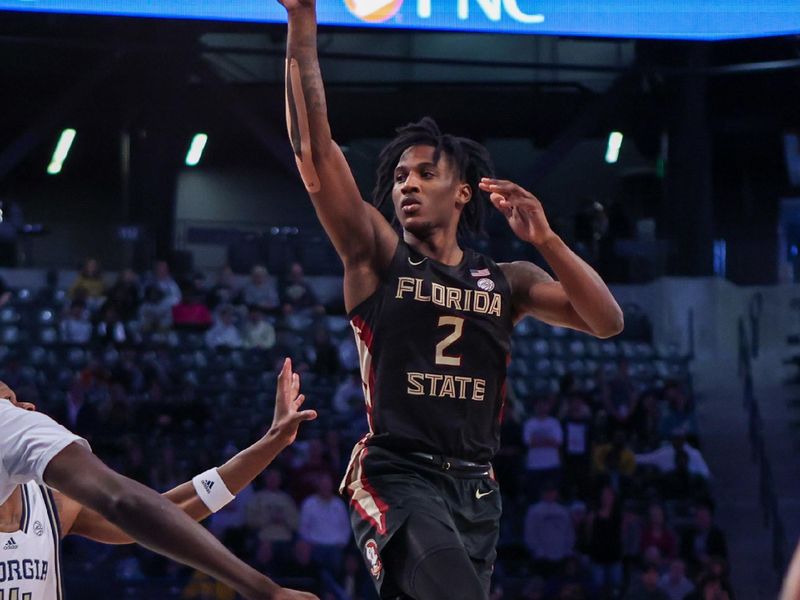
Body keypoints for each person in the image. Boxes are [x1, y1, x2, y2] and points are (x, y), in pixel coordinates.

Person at [275, 1, 623, 598]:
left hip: (477, 490)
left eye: (425, 173)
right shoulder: (377, 254)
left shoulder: (507, 278)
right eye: (400, 175)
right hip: (397, 475)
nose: (407, 183)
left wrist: (547, 239)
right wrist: (302, 23)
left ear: (463, 193)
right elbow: (314, 153)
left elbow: (607, 321)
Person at [0, 360, 318, 600]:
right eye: (10, 404)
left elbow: (168, 511)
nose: (25, 408)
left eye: (16, 400)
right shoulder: (10, 425)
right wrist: (265, 590)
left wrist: (272, 442)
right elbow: (125, 501)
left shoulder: (49, 504)